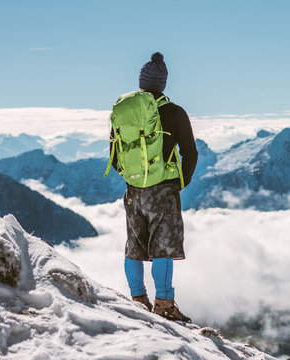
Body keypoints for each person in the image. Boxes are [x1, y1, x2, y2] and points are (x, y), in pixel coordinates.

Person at [109, 52, 198, 322]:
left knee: (134, 244)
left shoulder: (124, 113)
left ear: (141, 82)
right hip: (164, 189)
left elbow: (114, 157)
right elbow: (191, 153)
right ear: (163, 84)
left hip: (132, 189)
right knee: (164, 247)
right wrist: (179, 182)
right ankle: (164, 303)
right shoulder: (174, 112)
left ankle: (138, 298)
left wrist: (134, 177)